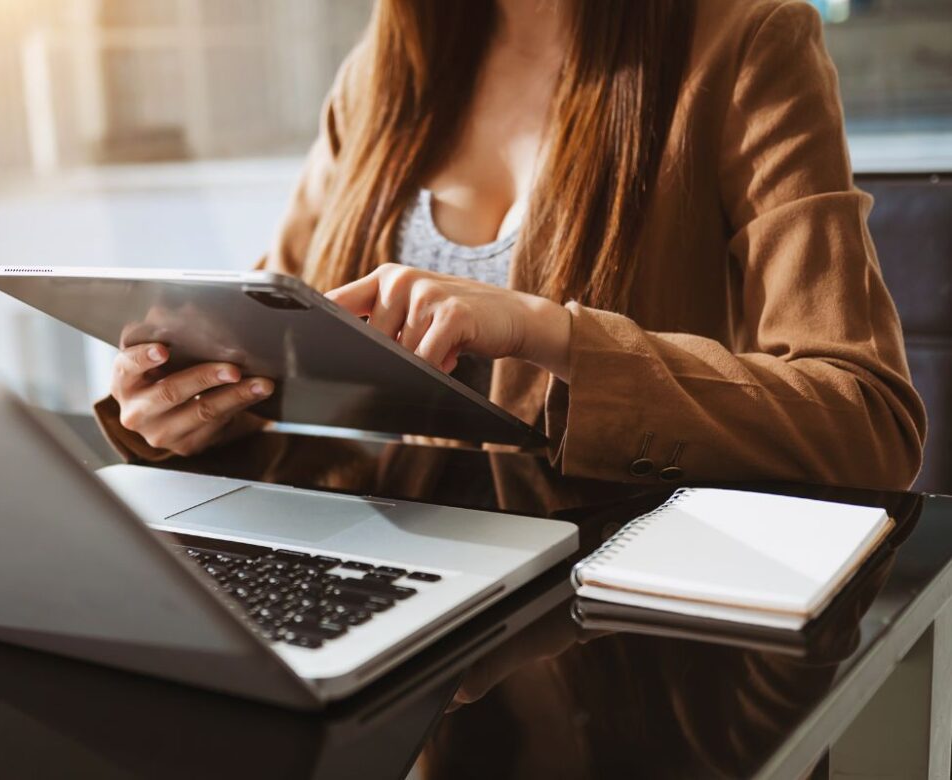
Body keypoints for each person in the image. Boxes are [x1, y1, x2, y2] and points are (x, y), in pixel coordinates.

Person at [95, 0, 926, 490]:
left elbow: (867, 425)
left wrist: (548, 331)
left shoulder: (748, 41)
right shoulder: (384, 69)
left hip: (619, 629)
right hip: (402, 582)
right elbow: (271, 346)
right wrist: (180, 407)